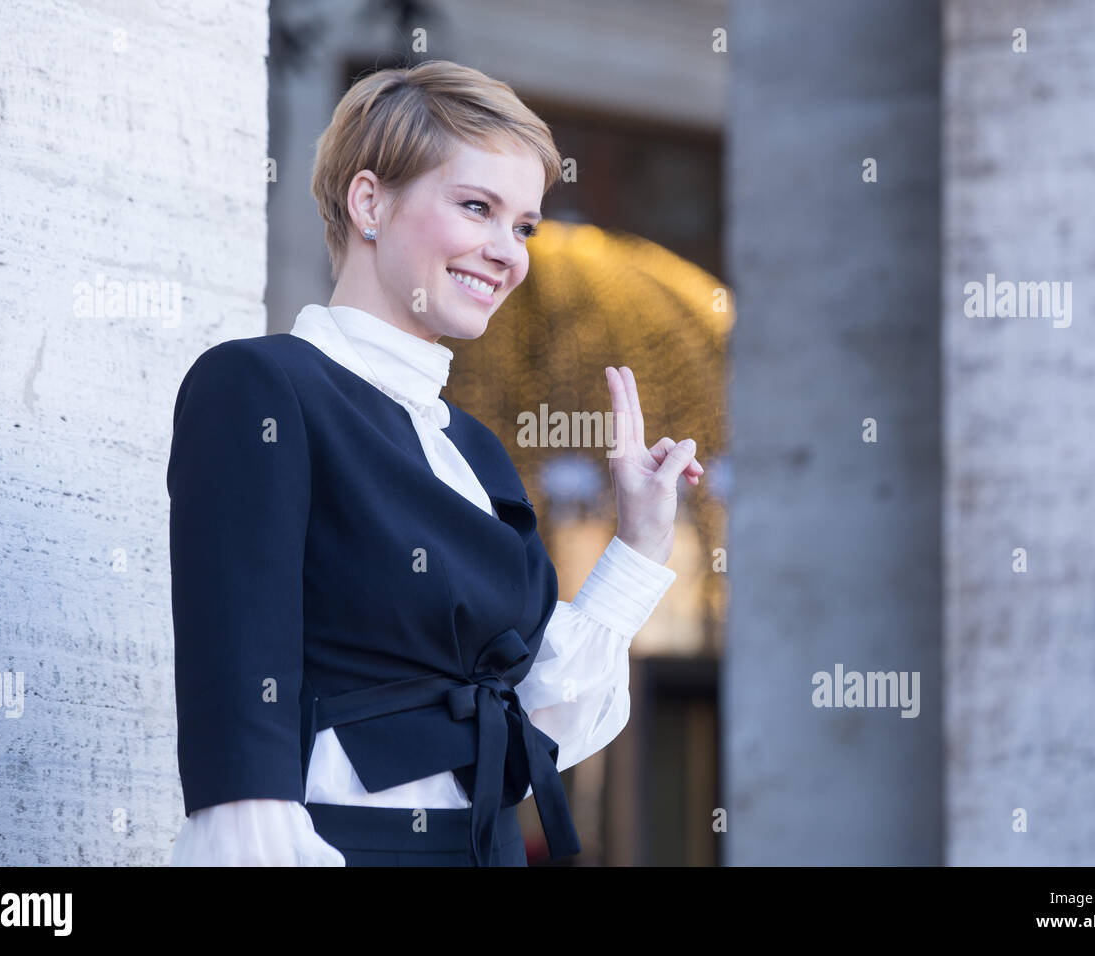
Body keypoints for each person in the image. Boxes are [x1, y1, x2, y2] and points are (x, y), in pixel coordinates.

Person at [166, 59, 702, 866]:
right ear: (369, 202)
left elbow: (534, 715)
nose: (507, 252)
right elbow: (236, 668)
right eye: (476, 208)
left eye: (523, 225)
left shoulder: (471, 448)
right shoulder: (263, 384)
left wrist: (639, 544)